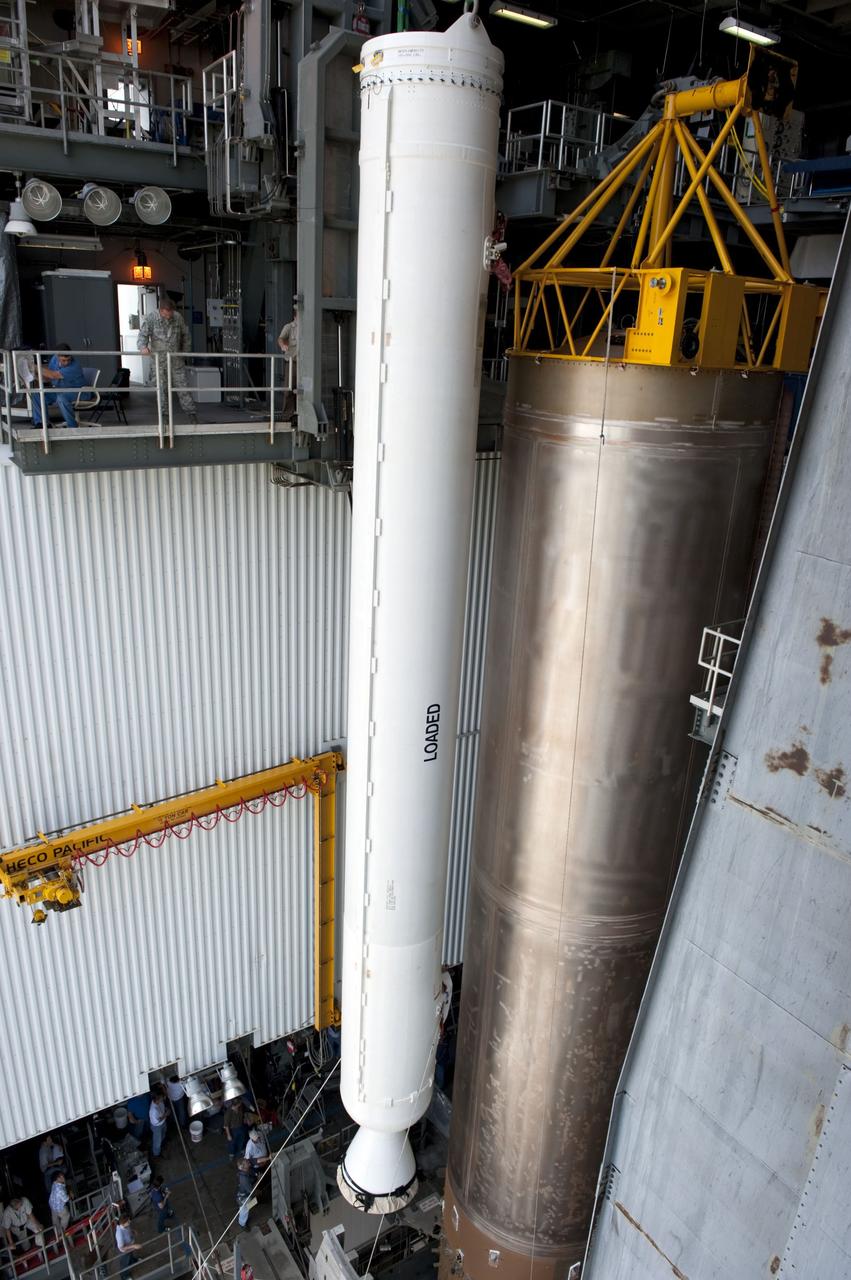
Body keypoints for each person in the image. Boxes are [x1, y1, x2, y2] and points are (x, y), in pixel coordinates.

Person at [137, 298, 198, 426]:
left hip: (176, 360)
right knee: (162, 389)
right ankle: (164, 418)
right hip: (159, 361)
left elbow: (186, 335)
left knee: (183, 387)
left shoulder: (177, 317)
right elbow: (142, 335)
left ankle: (192, 415)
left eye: (170, 314)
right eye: (166, 314)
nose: (168, 317)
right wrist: (143, 347)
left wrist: (185, 352)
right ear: (161, 311)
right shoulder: (151, 318)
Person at [31, 345, 86, 429]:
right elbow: (49, 377)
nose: (66, 362)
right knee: (37, 394)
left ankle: (72, 427)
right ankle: (42, 423)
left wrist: (35, 367)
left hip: (79, 392)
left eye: (68, 360)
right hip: (60, 390)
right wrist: (34, 376)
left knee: (62, 397)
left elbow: (54, 375)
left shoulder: (75, 366)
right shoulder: (54, 359)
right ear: (57, 356)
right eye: (63, 360)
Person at [276, 315, 298, 419]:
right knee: (289, 389)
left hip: (305, 364)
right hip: (292, 362)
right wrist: (283, 345)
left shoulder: (307, 327)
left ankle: (300, 413)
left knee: (305, 389)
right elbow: (280, 339)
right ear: (294, 316)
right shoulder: (289, 327)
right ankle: (287, 415)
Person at [235, 1159, 254, 1230]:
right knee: (244, 1212)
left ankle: (244, 1219)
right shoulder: (244, 1179)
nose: (249, 1163)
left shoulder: (244, 1173)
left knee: (248, 1207)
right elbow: (251, 1190)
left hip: (245, 1195)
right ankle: (242, 1224)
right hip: (244, 1197)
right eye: (247, 1163)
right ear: (243, 1167)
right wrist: (259, 1179)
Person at [148, 1086, 167, 1158]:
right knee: (157, 1142)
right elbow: (157, 1121)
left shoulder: (160, 1102)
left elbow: (162, 1107)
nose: (163, 1098)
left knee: (163, 1134)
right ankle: (156, 1154)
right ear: (157, 1099)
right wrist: (166, 1114)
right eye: (162, 1097)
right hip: (157, 1127)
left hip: (163, 1122)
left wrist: (165, 1109)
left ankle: (162, 1141)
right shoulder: (153, 1110)